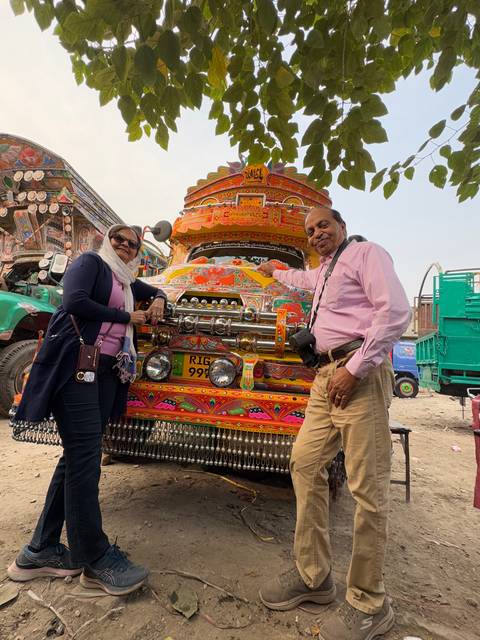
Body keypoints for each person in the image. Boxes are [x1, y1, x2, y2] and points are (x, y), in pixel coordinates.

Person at [257, 207, 411, 640]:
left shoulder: (366, 254)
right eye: (310, 231)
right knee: (305, 465)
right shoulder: (324, 271)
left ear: (341, 225)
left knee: (368, 489)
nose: (317, 233)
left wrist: (356, 368)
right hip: (325, 377)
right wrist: (276, 270)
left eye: (323, 225)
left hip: (357, 374)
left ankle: (369, 602)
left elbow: (395, 312)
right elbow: (303, 280)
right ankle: (314, 578)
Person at [8, 225, 167, 596]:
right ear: (107, 242)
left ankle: (39, 551)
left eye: (133, 244)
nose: (126, 247)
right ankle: (94, 560)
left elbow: (154, 290)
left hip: (101, 372)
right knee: (83, 458)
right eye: (120, 240)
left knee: (77, 456)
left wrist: (158, 296)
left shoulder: (126, 282)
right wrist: (130, 319)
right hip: (75, 367)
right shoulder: (91, 263)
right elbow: (74, 302)